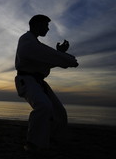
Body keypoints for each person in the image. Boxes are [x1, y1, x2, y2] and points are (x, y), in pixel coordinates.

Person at [14, 14, 79, 154]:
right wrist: (66, 58)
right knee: (43, 106)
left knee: (59, 112)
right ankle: (32, 143)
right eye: (46, 25)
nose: (48, 29)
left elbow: (44, 58)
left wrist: (60, 54)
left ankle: (52, 140)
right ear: (37, 25)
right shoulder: (26, 40)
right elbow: (43, 54)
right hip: (27, 80)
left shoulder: (34, 43)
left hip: (37, 82)